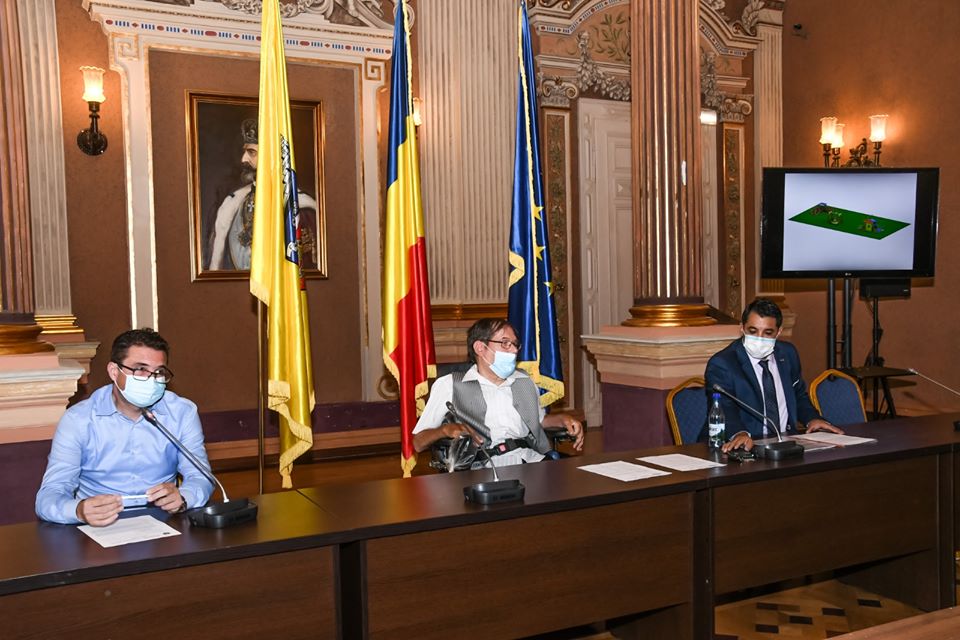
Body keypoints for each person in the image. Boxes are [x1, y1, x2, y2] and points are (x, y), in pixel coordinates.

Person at [35, 329, 214, 526]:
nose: (151, 379)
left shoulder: (182, 413)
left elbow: (201, 477)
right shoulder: (78, 420)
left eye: (158, 372)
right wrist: (79, 510)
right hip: (99, 526)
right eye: (140, 369)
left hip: (164, 522)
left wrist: (184, 497)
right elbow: (49, 495)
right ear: (114, 371)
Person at [412, 318, 584, 467]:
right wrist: (444, 430)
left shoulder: (523, 380)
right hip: (480, 467)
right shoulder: (450, 385)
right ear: (480, 347)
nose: (514, 350)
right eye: (505, 343)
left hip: (530, 461)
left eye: (515, 344)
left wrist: (563, 419)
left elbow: (538, 421)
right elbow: (418, 442)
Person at [704, 298, 844, 453]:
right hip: (741, 448)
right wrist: (739, 434)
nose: (759, 338)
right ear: (742, 328)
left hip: (785, 444)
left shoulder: (788, 353)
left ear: (779, 332)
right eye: (753, 331)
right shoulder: (723, 363)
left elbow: (798, 395)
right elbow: (722, 406)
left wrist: (812, 418)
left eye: (768, 333)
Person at [208, 118, 318, 270]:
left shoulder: (303, 208)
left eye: (251, 152)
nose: (243, 159)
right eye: (245, 152)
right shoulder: (232, 204)